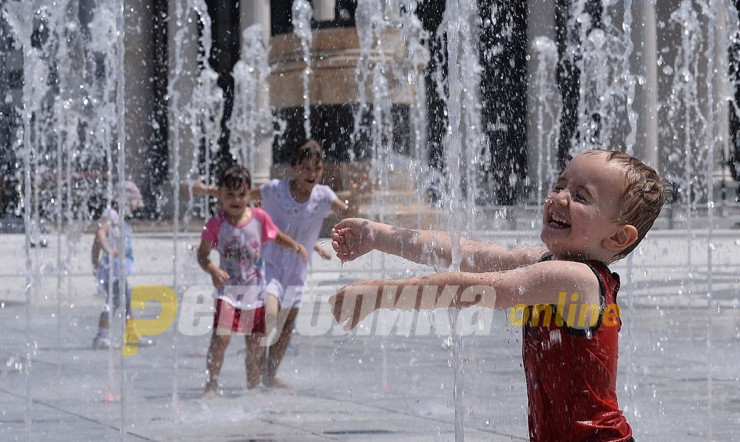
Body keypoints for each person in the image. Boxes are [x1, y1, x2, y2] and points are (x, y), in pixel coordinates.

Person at [329, 150, 671, 441]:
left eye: (581, 197)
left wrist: (381, 294)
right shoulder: (550, 265)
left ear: (618, 238)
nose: (559, 198)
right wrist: (379, 235)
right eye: (560, 185)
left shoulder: (577, 279)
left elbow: (481, 289)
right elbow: (464, 252)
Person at [191, 139, 354, 388]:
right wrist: (209, 190)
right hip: (270, 266)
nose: (311, 174)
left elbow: (348, 213)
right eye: (305, 167)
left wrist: (358, 204)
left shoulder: (323, 196)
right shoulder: (277, 189)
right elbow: (245, 194)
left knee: (287, 326)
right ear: (294, 167)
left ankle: (269, 373)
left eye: (317, 168)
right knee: (269, 317)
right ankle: (253, 368)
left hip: (297, 271)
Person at [197, 164, 308, 398]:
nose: (236, 199)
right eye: (229, 195)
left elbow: (275, 236)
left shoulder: (259, 218)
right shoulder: (216, 223)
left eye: (241, 194)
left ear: (249, 193)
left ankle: (253, 386)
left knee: (254, 346)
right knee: (221, 338)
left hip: (254, 294)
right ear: (220, 195)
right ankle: (211, 384)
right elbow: (202, 254)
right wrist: (211, 269)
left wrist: (295, 246)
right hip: (228, 292)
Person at [91, 180, 148, 349]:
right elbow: (100, 234)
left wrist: (94, 260)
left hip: (117, 270)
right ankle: (101, 336)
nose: (133, 207)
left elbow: (95, 243)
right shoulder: (110, 214)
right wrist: (108, 251)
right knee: (115, 301)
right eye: (131, 203)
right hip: (112, 270)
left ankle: (131, 334)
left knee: (125, 300)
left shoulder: (118, 218)